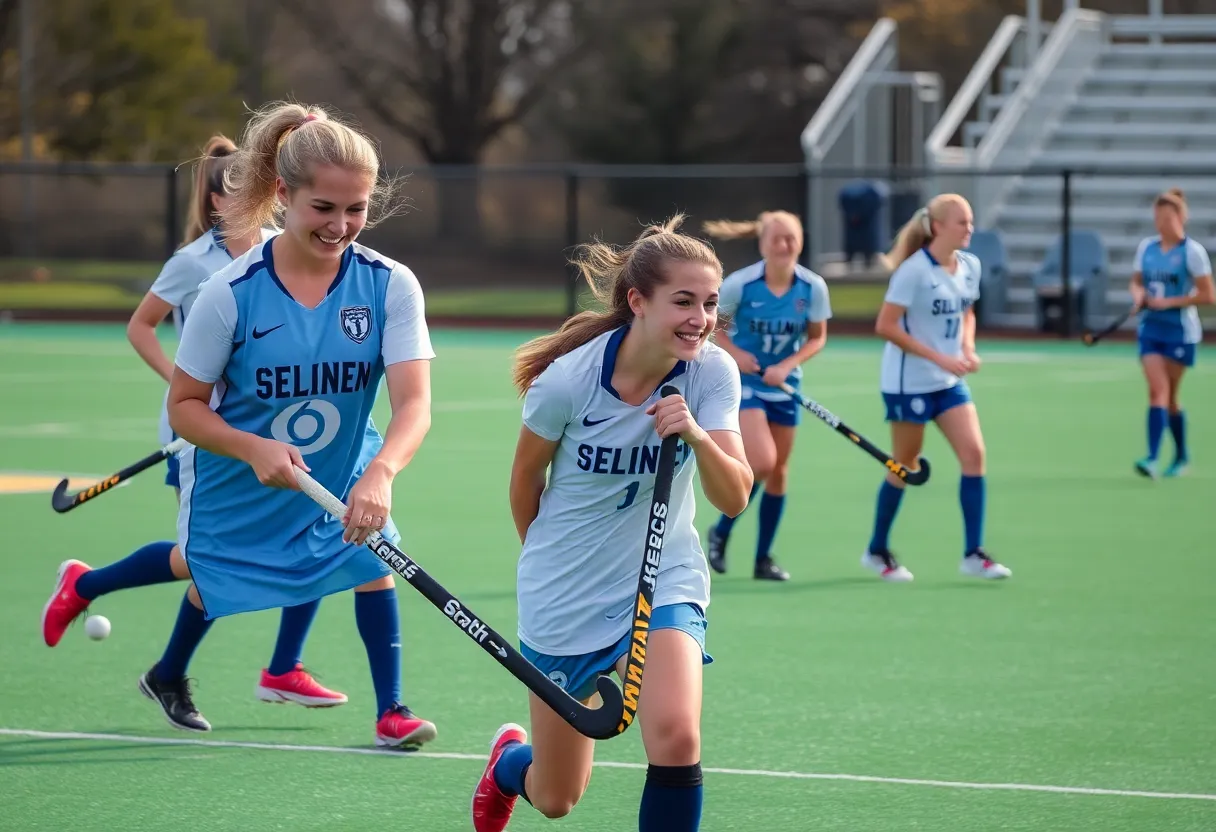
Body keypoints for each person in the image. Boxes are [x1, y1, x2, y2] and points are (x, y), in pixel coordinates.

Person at [40, 135, 349, 730]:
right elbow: (142, 326)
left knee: (308, 534)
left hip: (272, 428)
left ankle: (281, 665)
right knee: (207, 560)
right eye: (236, 189)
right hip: (203, 434)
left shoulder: (283, 249)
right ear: (214, 201)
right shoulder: (192, 263)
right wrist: (182, 387)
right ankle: (93, 591)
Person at [470, 216, 753, 832]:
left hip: (661, 578)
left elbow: (734, 496)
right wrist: (550, 563)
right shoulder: (567, 381)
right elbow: (525, 481)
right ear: (637, 301)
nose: (700, 319)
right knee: (556, 797)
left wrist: (696, 435)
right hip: (565, 590)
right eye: (683, 301)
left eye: (709, 303)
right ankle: (509, 766)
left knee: (676, 735)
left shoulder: (711, 373)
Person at [862, 194, 1011, 583]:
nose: (970, 228)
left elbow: (967, 312)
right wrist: (939, 357)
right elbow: (886, 326)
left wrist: (967, 348)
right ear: (939, 226)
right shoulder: (913, 271)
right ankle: (876, 550)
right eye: (962, 222)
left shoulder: (969, 266)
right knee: (904, 464)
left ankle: (973, 553)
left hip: (947, 382)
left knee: (974, 455)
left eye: (971, 221)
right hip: (907, 383)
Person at [700, 211, 831, 581]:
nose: (784, 245)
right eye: (777, 238)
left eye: (791, 238)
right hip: (747, 386)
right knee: (763, 462)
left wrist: (787, 365)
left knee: (779, 473)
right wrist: (737, 355)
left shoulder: (812, 287)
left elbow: (817, 338)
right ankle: (722, 529)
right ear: (763, 244)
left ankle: (763, 559)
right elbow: (714, 328)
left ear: (800, 243)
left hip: (785, 387)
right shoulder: (741, 285)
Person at [1129, 187, 1214, 479]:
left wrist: (1169, 302)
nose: (1161, 224)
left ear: (1180, 218)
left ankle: (1180, 454)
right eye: (1157, 218)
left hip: (1180, 332)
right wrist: (1138, 296)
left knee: (1170, 398)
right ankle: (1152, 457)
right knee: (1157, 391)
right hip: (1151, 328)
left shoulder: (1192, 252)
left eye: (1166, 218)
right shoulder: (1147, 248)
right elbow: (1136, 281)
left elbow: (1208, 295)